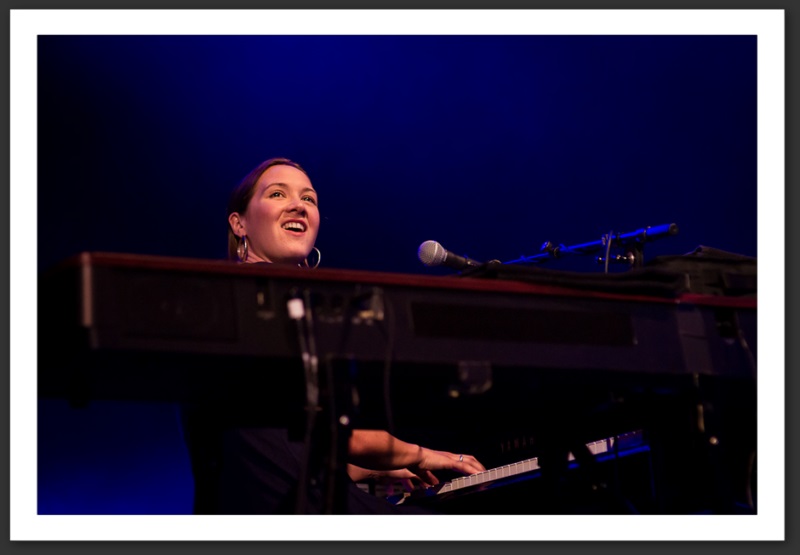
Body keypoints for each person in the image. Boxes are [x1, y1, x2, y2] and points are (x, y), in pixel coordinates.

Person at [180, 157, 485, 514]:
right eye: (278, 194)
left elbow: (288, 447)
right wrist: (421, 453)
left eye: (309, 199)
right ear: (240, 223)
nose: (298, 205)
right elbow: (328, 434)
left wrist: (372, 467)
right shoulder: (238, 303)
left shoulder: (290, 306)